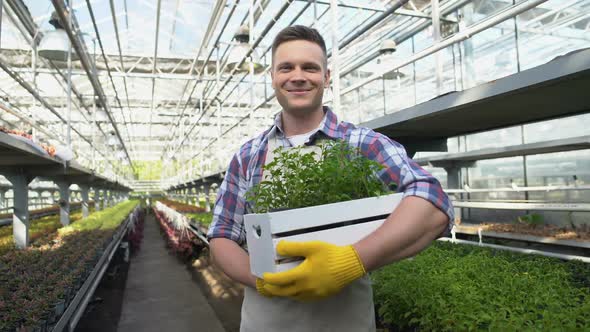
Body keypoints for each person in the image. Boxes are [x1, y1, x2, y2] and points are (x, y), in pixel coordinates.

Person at [207, 25, 454, 332]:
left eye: (310, 67)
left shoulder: (364, 145)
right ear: (272, 77)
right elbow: (221, 236)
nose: (297, 76)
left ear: (326, 77)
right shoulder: (248, 155)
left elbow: (434, 205)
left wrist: (352, 260)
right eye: (286, 67)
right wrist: (265, 281)